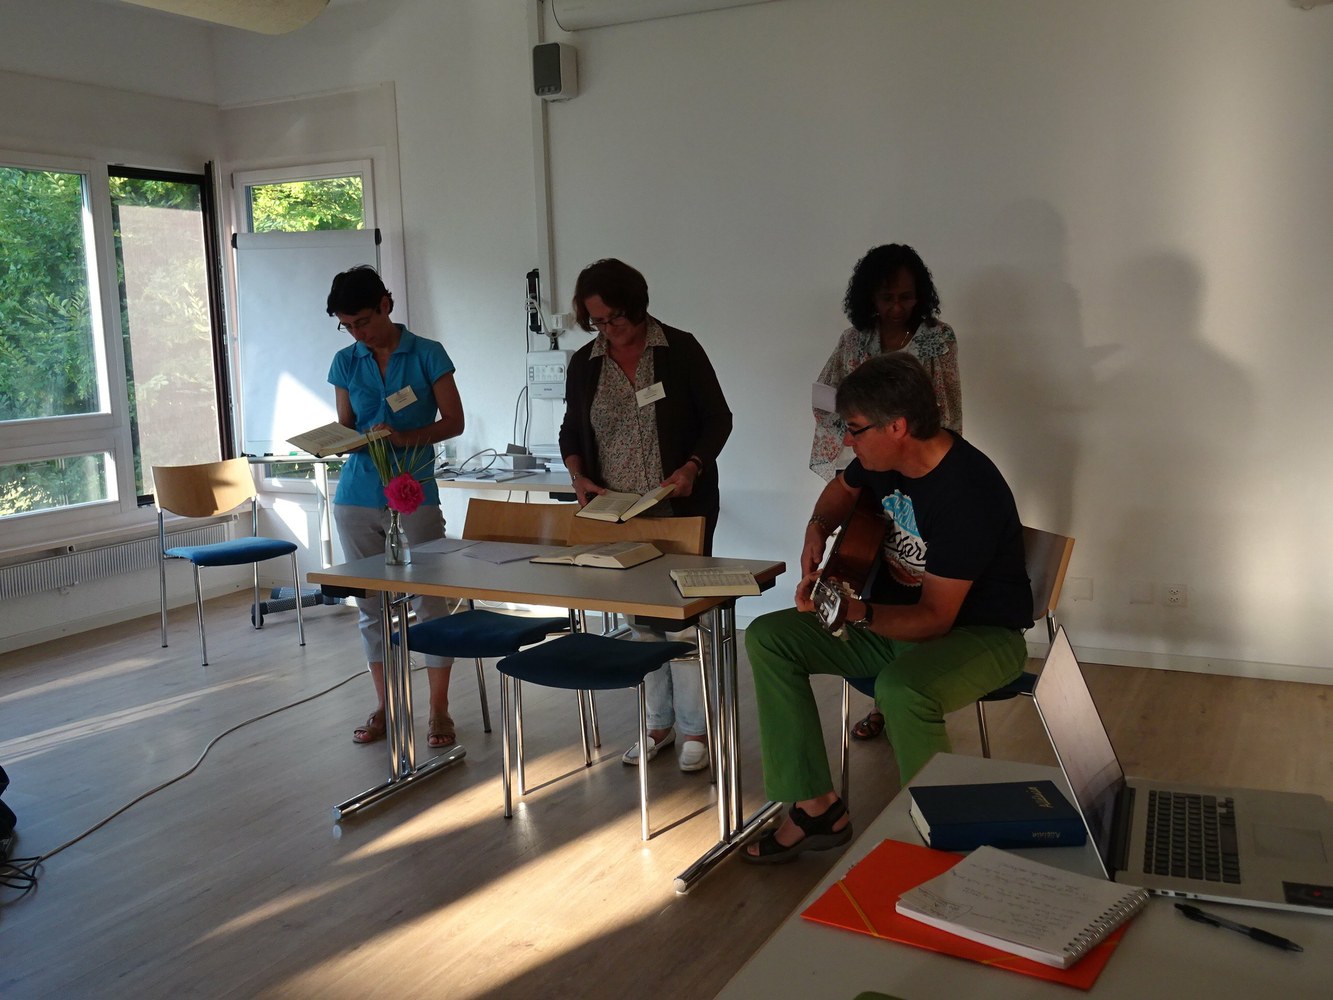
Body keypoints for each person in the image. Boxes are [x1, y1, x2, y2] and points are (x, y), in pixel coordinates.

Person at [743, 353, 1031, 863]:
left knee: (903, 689)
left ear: (897, 426)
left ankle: (939, 840)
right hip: (891, 624)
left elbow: (935, 619)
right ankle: (815, 808)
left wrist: (856, 613)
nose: (847, 442)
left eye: (855, 429)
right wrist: (817, 529)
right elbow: (841, 490)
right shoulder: (885, 462)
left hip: (980, 636)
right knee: (769, 637)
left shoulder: (967, 493)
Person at [559, 258, 732, 772]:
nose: (607, 330)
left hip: (680, 505)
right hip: (619, 512)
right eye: (596, 322)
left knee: (681, 620)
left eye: (614, 318)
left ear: (637, 306)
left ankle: (695, 729)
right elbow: (571, 430)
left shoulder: (679, 349)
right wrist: (577, 475)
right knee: (642, 623)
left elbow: (718, 419)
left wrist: (692, 466)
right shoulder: (586, 362)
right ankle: (657, 723)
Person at [810, 243, 963, 742]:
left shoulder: (938, 340)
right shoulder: (853, 341)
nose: (897, 307)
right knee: (867, 576)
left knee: (912, 578)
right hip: (868, 470)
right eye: (887, 298)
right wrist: (856, 433)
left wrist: (927, 466)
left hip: (914, 470)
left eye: (906, 297)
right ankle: (881, 696)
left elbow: (948, 409)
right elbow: (824, 397)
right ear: (869, 298)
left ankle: (909, 693)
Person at [326, 266, 465, 748]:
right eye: (347, 326)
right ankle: (387, 705)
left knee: (430, 600)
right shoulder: (345, 361)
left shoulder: (427, 353)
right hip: (357, 494)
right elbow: (346, 425)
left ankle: (439, 709)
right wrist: (338, 441)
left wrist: (405, 438)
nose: (357, 333)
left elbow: (454, 421)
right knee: (370, 606)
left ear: (386, 304)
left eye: (363, 321)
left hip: (414, 489)